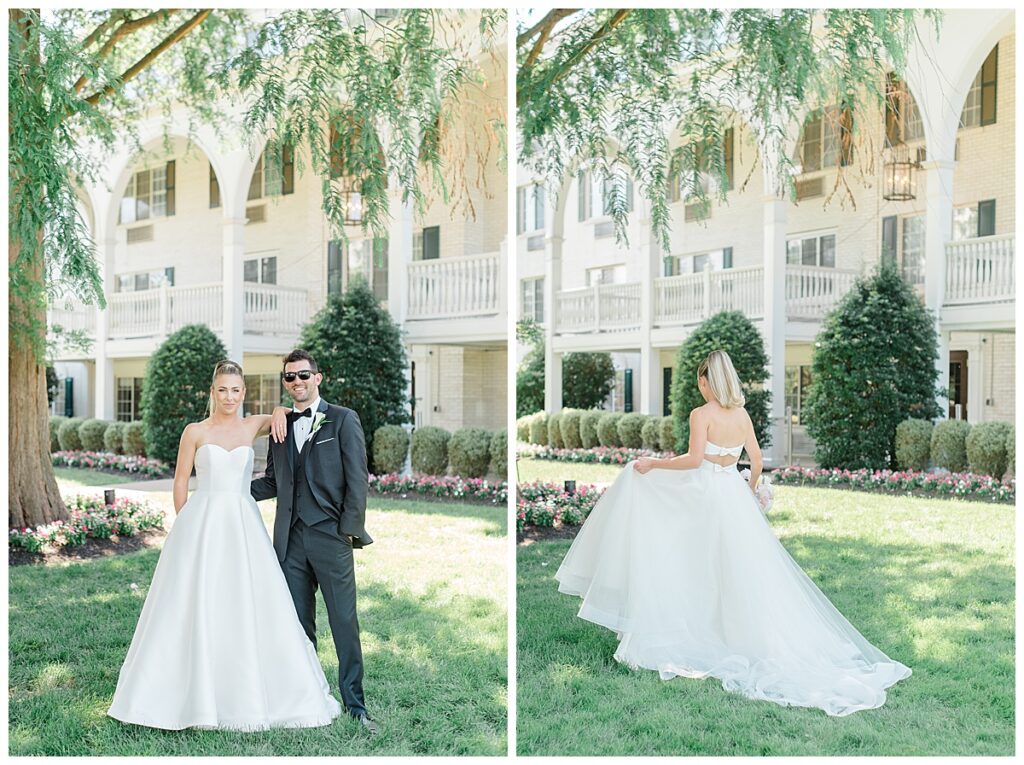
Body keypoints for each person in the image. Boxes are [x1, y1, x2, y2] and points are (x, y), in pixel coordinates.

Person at [555, 350, 911, 717]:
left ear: (707, 382)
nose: (700, 386)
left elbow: (693, 461)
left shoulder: (701, 414)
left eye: (701, 380)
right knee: (739, 567)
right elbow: (755, 459)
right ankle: (732, 629)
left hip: (706, 494)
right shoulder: (741, 416)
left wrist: (652, 464)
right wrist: (749, 489)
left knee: (695, 561)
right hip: (732, 496)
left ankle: (697, 628)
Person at [108, 359, 342, 730]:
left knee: (247, 599)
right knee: (194, 600)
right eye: (222, 390)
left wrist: (280, 408)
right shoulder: (195, 431)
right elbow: (181, 481)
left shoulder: (252, 425)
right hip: (201, 522)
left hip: (241, 523)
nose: (229, 397)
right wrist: (184, 526)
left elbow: (281, 415)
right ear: (212, 392)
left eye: (236, 390)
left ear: (243, 392)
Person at [250, 349, 377, 735]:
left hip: (330, 536)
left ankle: (355, 703)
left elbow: (358, 479)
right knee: (297, 625)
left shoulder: (343, 420)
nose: (297, 382)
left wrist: (348, 531)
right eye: (290, 377)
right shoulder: (280, 425)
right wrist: (229, 489)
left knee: (343, 621)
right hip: (289, 541)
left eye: (304, 375)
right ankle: (304, 697)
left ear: (318, 378)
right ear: (285, 383)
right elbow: (273, 481)